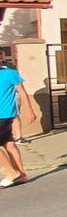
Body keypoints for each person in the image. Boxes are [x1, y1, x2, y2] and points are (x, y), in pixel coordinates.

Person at [0, 51, 34, 186]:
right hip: (4, 116)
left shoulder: (9, 73)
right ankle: (21, 174)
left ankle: (11, 173)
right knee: (9, 144)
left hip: (4, 114)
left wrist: (30, 111)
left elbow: (22, 92)